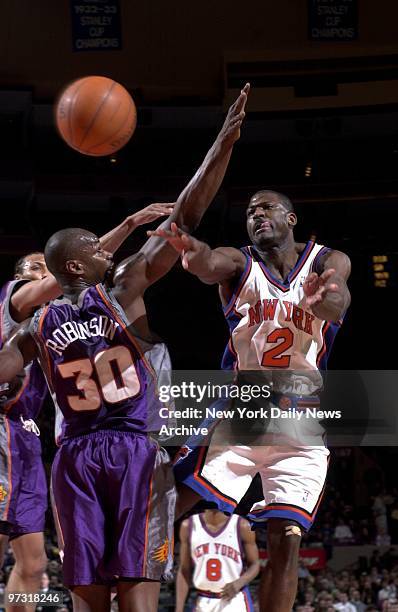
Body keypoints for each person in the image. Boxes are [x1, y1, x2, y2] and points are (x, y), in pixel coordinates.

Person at [0, 85, 249, 612]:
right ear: (74, 267)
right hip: (134, 451)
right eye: (94, 244)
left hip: (72, 460)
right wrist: (219, 148)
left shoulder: (36, 327)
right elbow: (187, 215)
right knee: (136, 590)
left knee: (86, 595)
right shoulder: (126, 288)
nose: (105, 247)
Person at [152, 189, 351, 612]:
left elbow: (339, 302)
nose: (257, 215)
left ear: (291, 217)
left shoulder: (327, 260)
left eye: (266, 208)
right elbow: (208, 265)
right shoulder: (240, 262)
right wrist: (193, 251)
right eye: (250, 212)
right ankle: (126, 575)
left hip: (302, 422)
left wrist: (324, 300)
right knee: (168, 500)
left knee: (286, 542)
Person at [0, 203, 175, 612]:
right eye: (34, 270)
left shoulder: (44, 324)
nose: (40, 276)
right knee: (129, 575)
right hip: (89, 443)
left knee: (36, 564)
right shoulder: (19, 301)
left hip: (47, 445)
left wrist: (129, 224)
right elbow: (65, 270)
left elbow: (79, 261)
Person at [176, 508, 259, 611]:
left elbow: (255, 564)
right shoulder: (189, 526)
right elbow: (184, 570)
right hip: (203, 601)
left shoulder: (241, 525)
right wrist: (178, 609)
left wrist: (240, 582)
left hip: (234, 600)